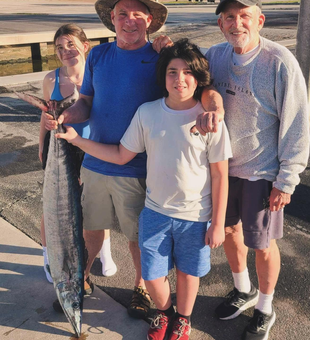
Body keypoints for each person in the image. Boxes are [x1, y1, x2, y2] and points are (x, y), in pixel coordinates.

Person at [46, 0, 224, 319]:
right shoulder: (98, 55)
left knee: (136, 239)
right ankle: (80, 281)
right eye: (122, 14)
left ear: (150, 20)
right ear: (111, 18)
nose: (129, 21)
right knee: (91, 230)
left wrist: (215, 106)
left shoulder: (161, 56)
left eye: (137, 14)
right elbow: (85, 103)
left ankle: (141, 288)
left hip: (138, 169)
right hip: (97, 161)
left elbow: (201, 83)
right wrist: (65, 116)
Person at [195, 1, 310, 339]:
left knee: (262, 244)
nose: (237, 23)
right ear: (220, 23)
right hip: (222, 169)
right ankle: (242, 289)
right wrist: (163, 45)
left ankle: (265, 306)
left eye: (244, 16)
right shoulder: (215, 56)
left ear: (259, 20)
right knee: (230, 231)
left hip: (262, 172)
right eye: (230, 17)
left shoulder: (279, 62)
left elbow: (297, 125)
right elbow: (186, 71)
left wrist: (287, 180)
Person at [39, 23, 117, 286]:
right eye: (60, 47)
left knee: (95, 203)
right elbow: (45, 114)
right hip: (59, 146)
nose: (66, 51)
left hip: (91, 145)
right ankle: (48, 255)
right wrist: (42, 144)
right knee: (52, 205)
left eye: (71, 44)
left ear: (85, 46)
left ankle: (104, 251)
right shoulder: (51, 79)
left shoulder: (99, 75)